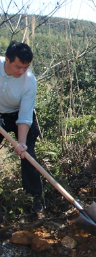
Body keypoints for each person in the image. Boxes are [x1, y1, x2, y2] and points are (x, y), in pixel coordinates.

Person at [0, 41, 43, 213]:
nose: (22, 71)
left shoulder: (29, 81)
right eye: (18, 66)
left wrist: (22, 143)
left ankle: (35, 198)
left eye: (25, 67)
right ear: (7, 60)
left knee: (28, 155)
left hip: (19, 114)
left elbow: (25, 116)